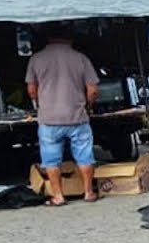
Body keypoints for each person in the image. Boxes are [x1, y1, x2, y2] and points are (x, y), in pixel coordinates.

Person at [26, 23, 99, 205]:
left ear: (47, 37)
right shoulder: (81, 58)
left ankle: (58, 196)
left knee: (51, 160)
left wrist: (41, 104)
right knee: (85, 156)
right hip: (77, 117)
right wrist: (88, 107)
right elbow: (92, 90)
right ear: (71, 38)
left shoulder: (36, 59)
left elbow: (31, 90)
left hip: (49, 119)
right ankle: (89, 192)